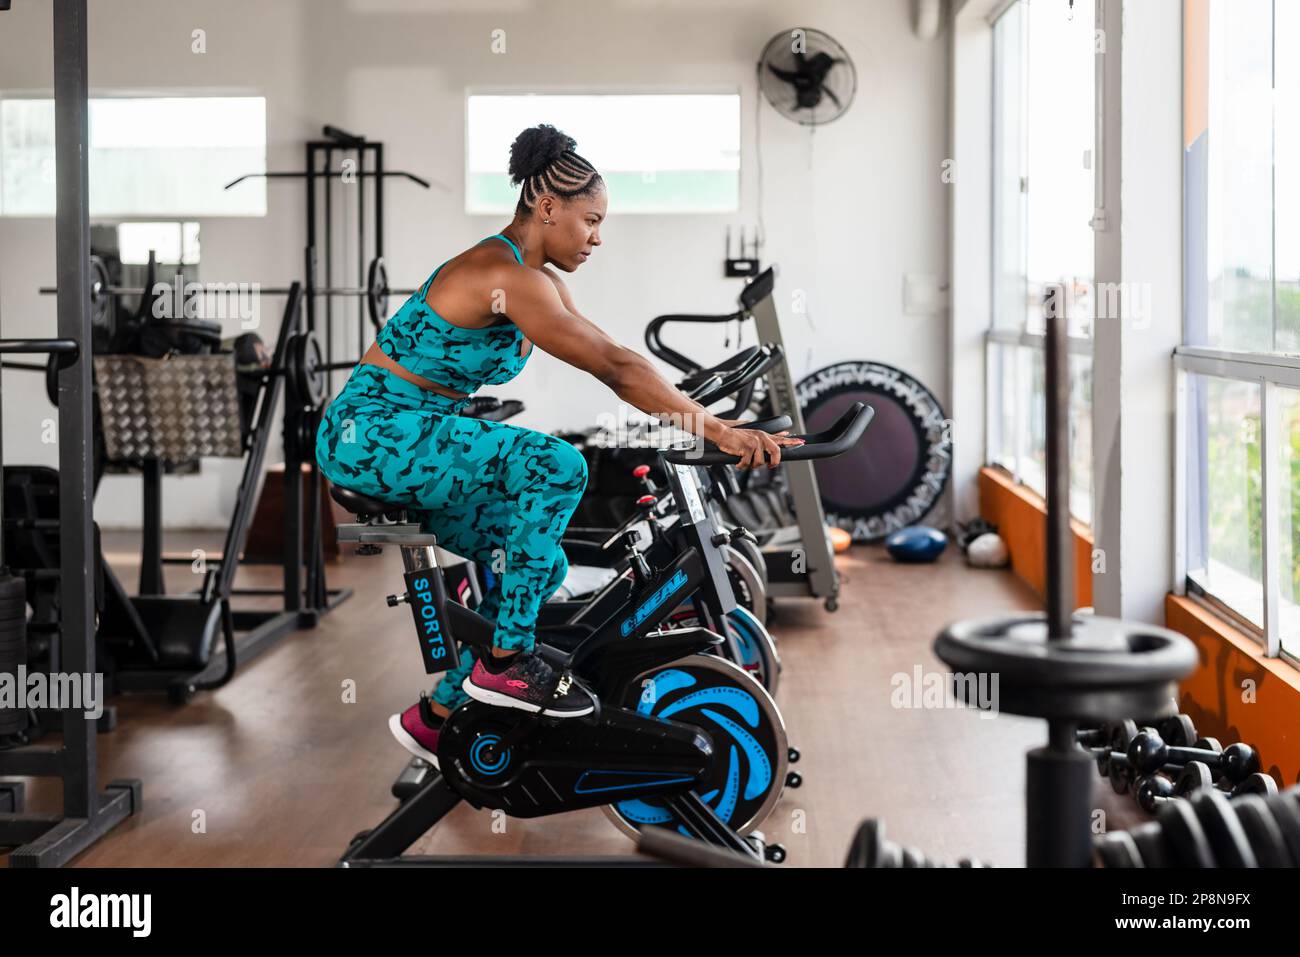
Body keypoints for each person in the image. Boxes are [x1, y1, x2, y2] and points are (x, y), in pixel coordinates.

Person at [316, 124, 802, 766]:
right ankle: (506, 664)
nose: (598, 238)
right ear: (547, 208)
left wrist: (696, 412)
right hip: (371, 433)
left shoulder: (537, 280)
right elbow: (614, 370)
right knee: (557, 464)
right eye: (591, 221)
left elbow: (620, 356)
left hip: (409, 434)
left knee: (538, 566)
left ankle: (438, 714)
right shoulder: (501, 272)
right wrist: (719, 431)